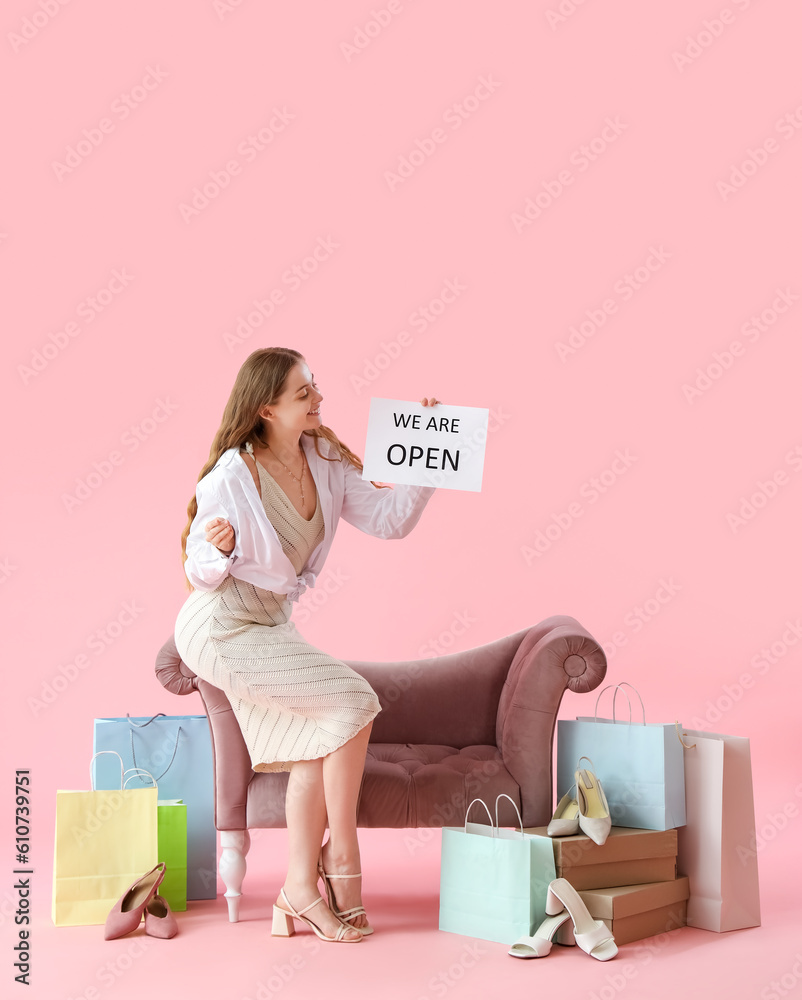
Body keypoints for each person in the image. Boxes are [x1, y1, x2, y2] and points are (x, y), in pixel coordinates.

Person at [174, 347, 441, 943]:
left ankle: (298, 890)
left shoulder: (323, 458)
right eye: (303, 393)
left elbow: (390, 519)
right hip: (221, 628)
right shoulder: (232, 475)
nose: (318, 398)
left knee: (315, 746)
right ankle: (340, 855)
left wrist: (426, 453)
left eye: (314, 386)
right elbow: (198, 569)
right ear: (267, 407)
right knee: (352, 702)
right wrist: (217, 549)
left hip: (270, 625)